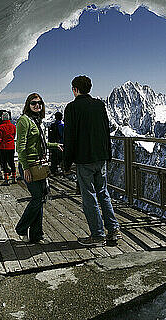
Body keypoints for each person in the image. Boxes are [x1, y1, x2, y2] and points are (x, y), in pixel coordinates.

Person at [63, 75, 121, 246]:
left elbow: (70, 137)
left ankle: (97, 235)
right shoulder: (99, 105)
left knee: (89, 196)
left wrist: (66, 162)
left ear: (75, 89)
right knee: (103, 192)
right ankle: (113, 230)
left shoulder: (72, 108)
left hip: (84, 159)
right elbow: (105, 130)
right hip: (100, 156)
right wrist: (108, 154)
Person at [15, 93, 62, 244]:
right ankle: (21, 228)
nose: (37, 105)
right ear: (28, 104)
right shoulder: (24, 121)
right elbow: (20, 147)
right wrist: (25, 168)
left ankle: (36, 235)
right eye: (34, 103)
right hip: (30, 166)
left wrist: (55, 145)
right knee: (37, 198)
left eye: (40, 103)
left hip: (39, 165)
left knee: (40, 199)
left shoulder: (38, 121)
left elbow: (40, 144)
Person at [0, 110, 16, 185]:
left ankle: (6, 179)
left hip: (3, 147)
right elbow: (14, 136)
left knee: (4, 163)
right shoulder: (13, 126)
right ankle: (14, 178)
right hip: (12, 147)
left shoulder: (1, 127)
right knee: (11, 162)